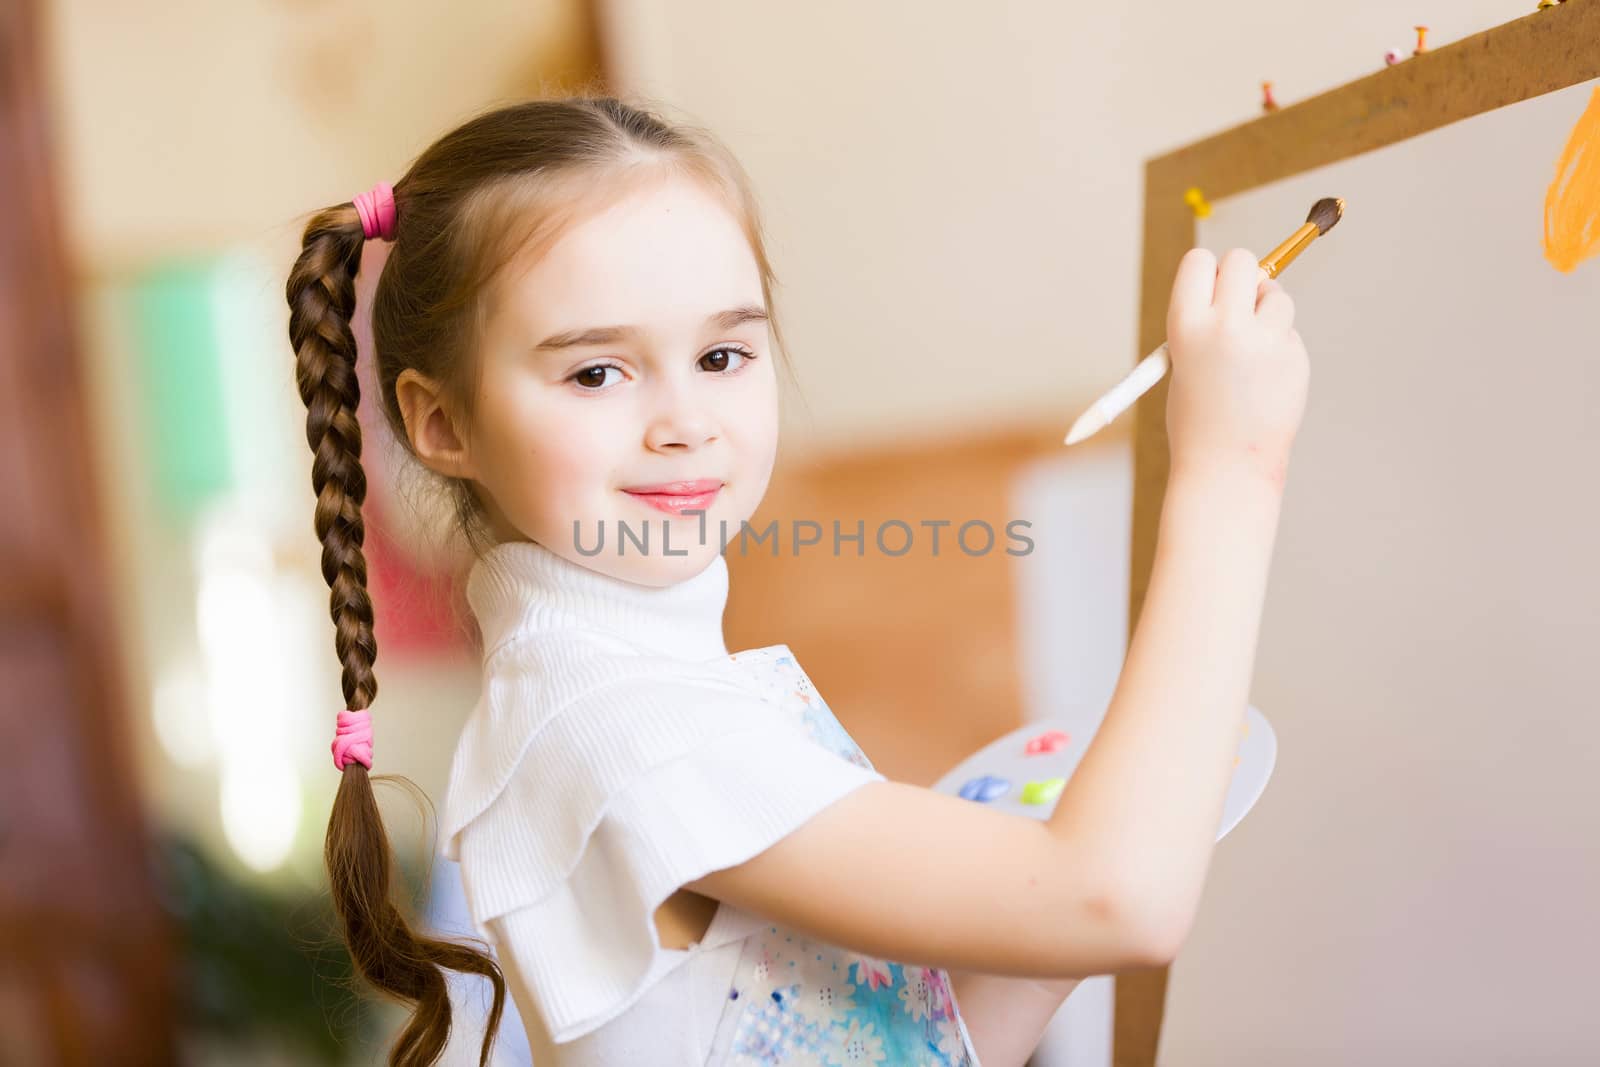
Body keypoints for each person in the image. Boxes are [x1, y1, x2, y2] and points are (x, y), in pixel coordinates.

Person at [285, 95, 1308, 1067]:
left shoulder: (625, 687)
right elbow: (1120, 898)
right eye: (596, 371)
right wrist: (1230, 466)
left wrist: (1029, 920)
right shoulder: (630, 723)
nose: (684, 418)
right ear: (442, 423)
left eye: (723, 353)